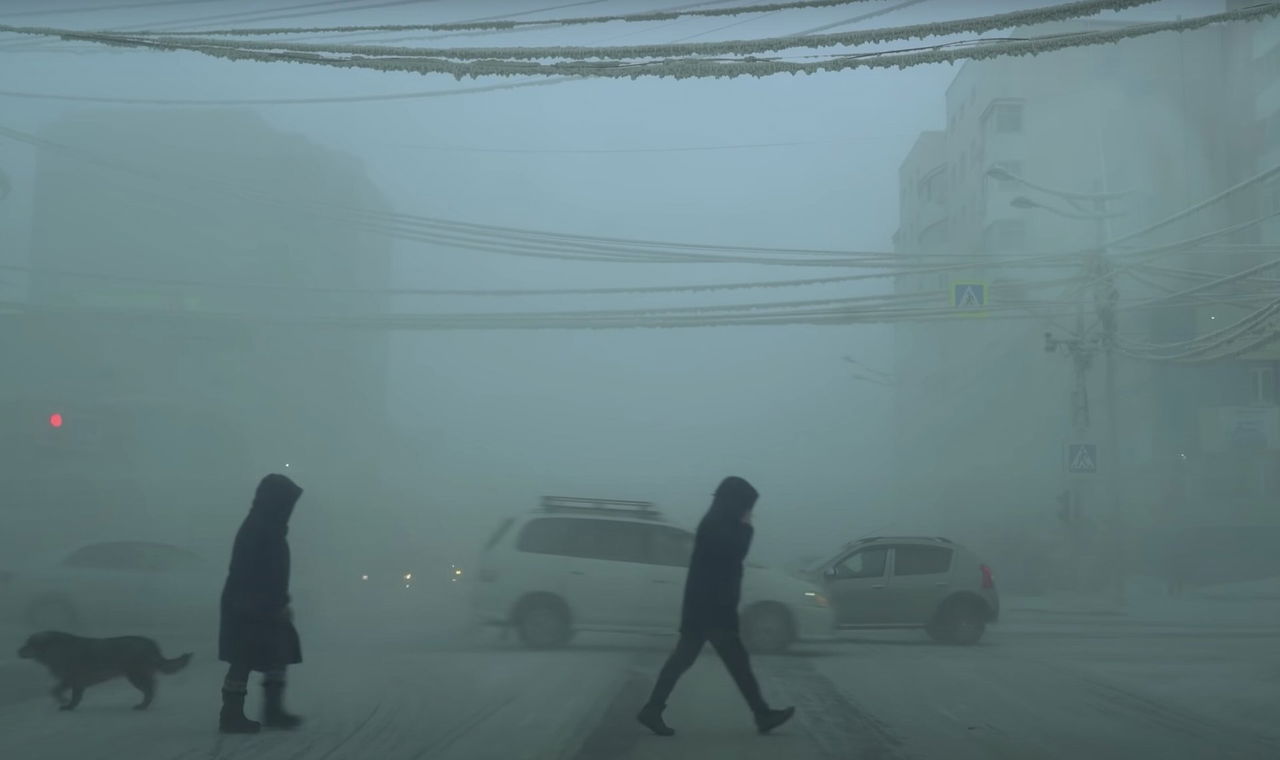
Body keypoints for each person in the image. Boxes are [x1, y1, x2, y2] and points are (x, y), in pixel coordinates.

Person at [637, 476, 795, 736]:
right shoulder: (717, 526)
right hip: (712, 610)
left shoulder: (717, 522)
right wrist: (746, 528)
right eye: (747, 506)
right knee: (734, 662)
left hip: (706, 607)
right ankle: (762, 714)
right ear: (734, 503)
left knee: (687, 660)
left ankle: (653, 709)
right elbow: (734, 553)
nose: (749, 513)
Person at [218, 473, 305, 734]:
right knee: (244, 657)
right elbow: (247, 569)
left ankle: (272, 710)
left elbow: (275, 571)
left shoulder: (270, 525)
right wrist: (261, 603)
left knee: (277, 653)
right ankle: (231, 715)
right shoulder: (259, 526)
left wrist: (280, 600)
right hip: (249, 604)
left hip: (265, 603)